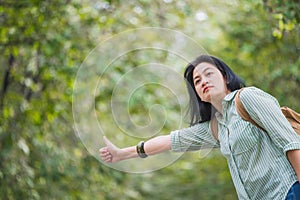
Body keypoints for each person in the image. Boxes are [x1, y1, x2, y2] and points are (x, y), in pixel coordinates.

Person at [99, 55, 300, 199]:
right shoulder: (216, 128)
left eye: (208, 74)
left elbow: (291, 142)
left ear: (225, 77)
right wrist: (122, 154)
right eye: (197, 80)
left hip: (288, 191)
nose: (203, 81)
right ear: (197, 93)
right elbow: (171, 141)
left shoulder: (248, 98)